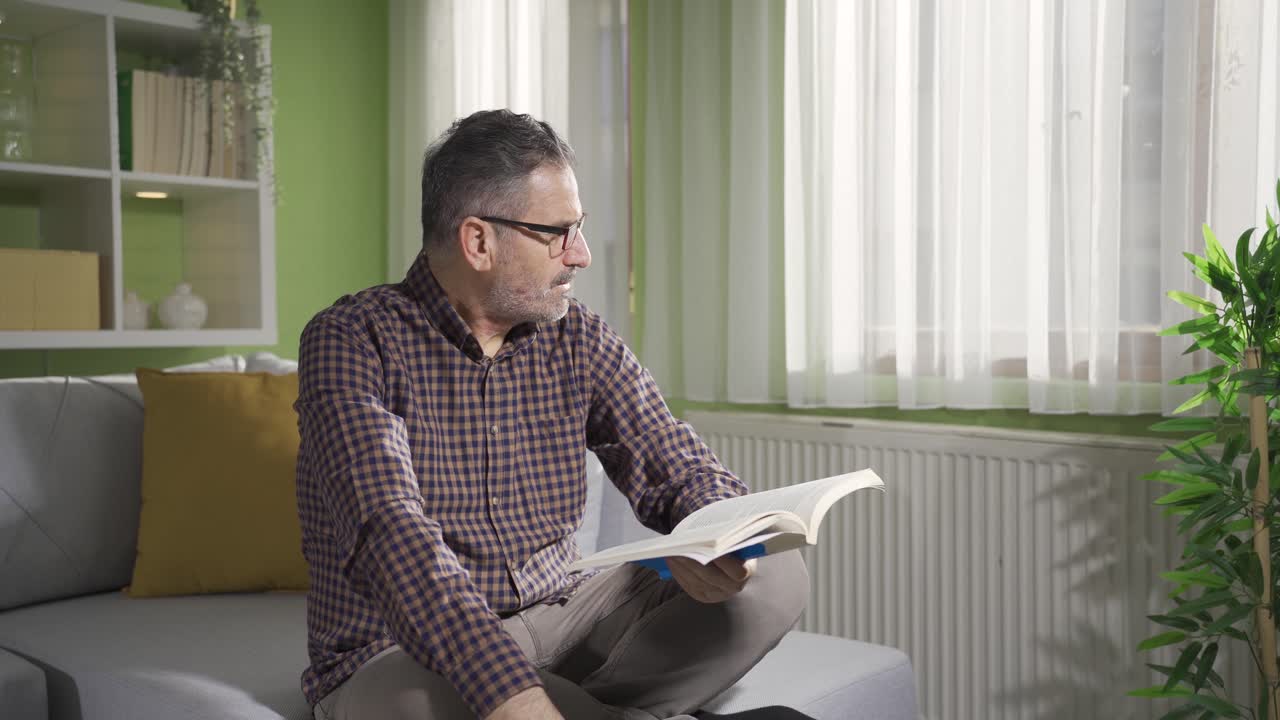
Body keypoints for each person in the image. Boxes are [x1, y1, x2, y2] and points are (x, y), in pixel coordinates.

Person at [294, 109, 809, 720]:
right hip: (404, 644)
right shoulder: (351, 340)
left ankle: (566, 702)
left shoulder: (578, 337)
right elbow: (390, 533)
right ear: (478, 240)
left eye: (581, 228)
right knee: (431, 702)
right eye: (558, 232)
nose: (582, 255)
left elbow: (671, 454)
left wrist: (711, 534)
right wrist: (507, 690)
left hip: (563, 612)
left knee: (772, 574)